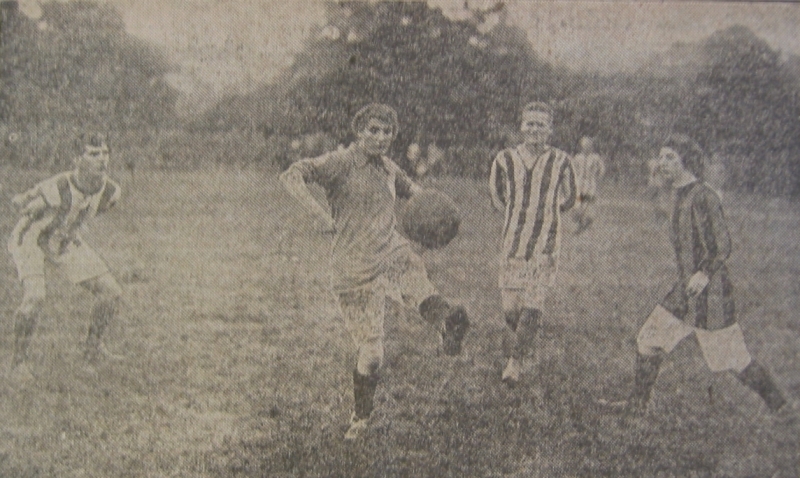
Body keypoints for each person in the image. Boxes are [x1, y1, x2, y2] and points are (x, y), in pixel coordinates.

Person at [280, 103, 470, 440]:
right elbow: (292, 174)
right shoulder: (340, 161)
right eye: (373, 130)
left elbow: (417, 194)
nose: (380, 138)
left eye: (387, 132)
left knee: (412, 272)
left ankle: (446, 321)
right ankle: (360, 417)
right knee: (372, 356)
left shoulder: (389, 168)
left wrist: (442, 216)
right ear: (359, 131)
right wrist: (318, 214)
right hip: (353, 267)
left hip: (390, 251)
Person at [619, 134, 786, 414]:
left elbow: (722, 245)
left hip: (711, 294)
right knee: (649, 339)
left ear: (687, 161)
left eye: (670, 157)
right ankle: (637, 405)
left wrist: (704, 274)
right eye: (660, 157)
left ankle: (781, 407)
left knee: (734, 360)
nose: (662, 163)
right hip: (685, 291)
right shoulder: (679, 194)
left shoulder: (703, 195)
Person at [7, 133, 124, 382]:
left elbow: (88, 211)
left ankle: (92, 350)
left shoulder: (111, 192)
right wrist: (29, 203)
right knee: (35, 297)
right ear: (76, 159)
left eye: (105, 152)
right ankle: (18, 364)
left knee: (110, 292)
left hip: (63, 240)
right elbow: (26, 206)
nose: (102, 159)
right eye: (93, 154)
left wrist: (73, 231)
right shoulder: (57, 188)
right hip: (32, 239)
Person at [488, 102, 576, 387]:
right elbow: (496, 195)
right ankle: (527, 333)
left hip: (545, 245)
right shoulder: (504, 159)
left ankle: (514, 363)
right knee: (511, 308)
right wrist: (516, 215)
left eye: (541, 124)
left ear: (550, 130)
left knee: (533, 301)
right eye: (530, 123)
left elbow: (571, 198)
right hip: (512, 242)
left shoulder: (562, 160)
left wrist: (547, 214)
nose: (534, 129)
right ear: (521, 127)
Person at [570, 136, 605, 234]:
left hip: (590, 185)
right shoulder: (577, 157)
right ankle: (582, 223)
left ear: (591, 146)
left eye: (588, 145)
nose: (586, 148)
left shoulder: (595, 158)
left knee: (587, 206)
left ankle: (584, 224)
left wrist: (597, 178)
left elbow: (601, 170)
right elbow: (573, 169)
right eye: (583, 146)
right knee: (576, 206)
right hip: (580, 184)